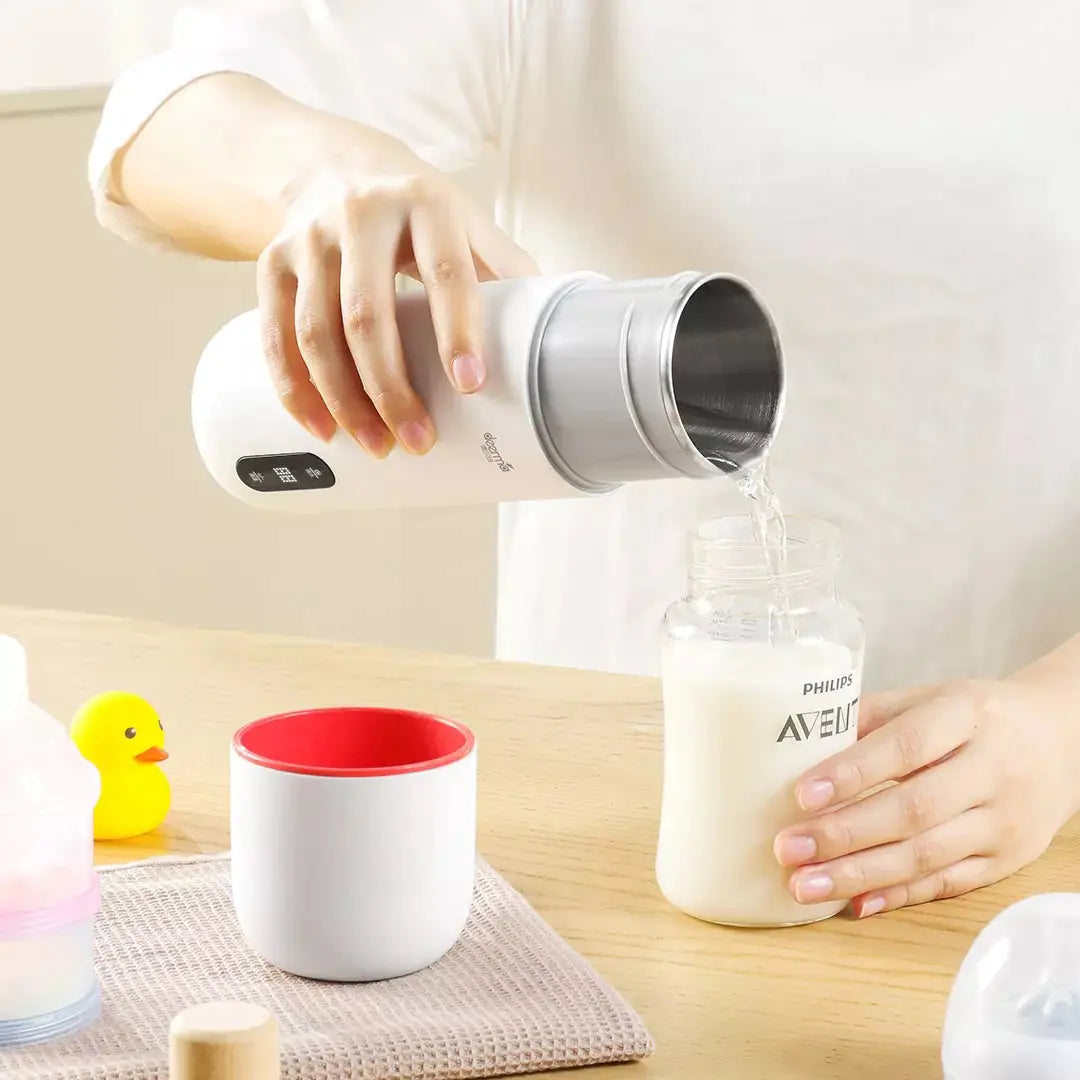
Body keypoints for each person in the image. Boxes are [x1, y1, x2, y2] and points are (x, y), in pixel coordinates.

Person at [89, 1, 1080, 918]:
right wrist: (318, 177)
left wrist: (1058, 727)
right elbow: (162, 122)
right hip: (589, 823)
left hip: (1027, 847)